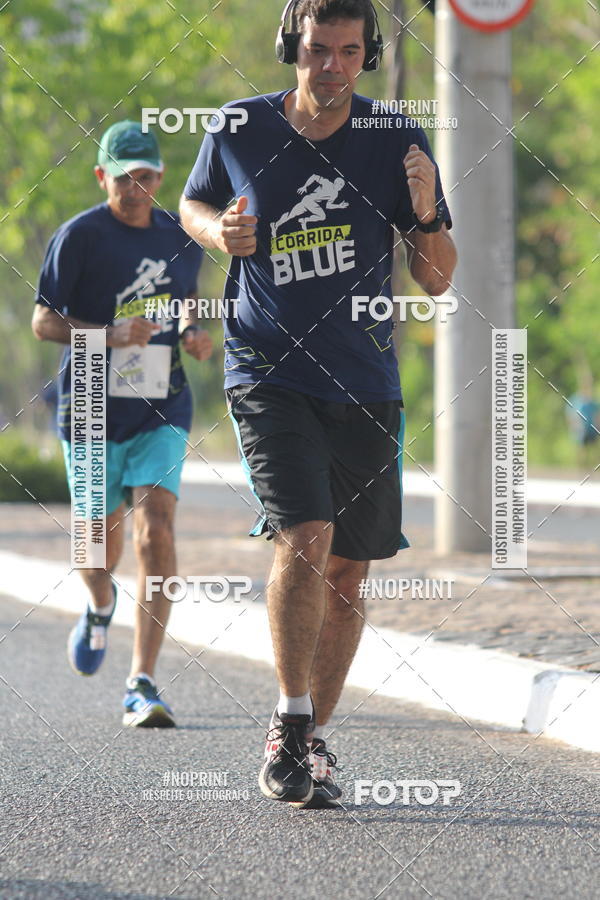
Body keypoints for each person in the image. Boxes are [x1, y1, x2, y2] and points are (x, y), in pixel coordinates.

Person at [180, 0, 456, 806]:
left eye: (345, 51)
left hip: (366, 380)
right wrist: (214, 233)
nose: (328, 65)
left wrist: (431, 208)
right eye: (314, 50)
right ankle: (290, 725)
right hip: (266, 369)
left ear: (365, 56)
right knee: (305, 533)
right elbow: (194, 206)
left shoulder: (395, 138)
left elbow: (437, 278)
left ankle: (311, 741)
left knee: (348, 571)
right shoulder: (238, 127)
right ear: (289, 49)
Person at [32, 120, 212, 728]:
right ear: (101, 176)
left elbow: (185, 298)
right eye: (123, 178)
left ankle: (142, 681)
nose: (136, 189)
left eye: (147, 177)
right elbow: (43, 322)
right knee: (95, 547)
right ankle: (101, 603)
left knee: (156, 530)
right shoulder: (78, 236)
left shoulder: (180, 235)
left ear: (161, 177)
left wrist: (191, 332)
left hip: (162, 400)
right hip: (88, 402)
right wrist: (106, 336)